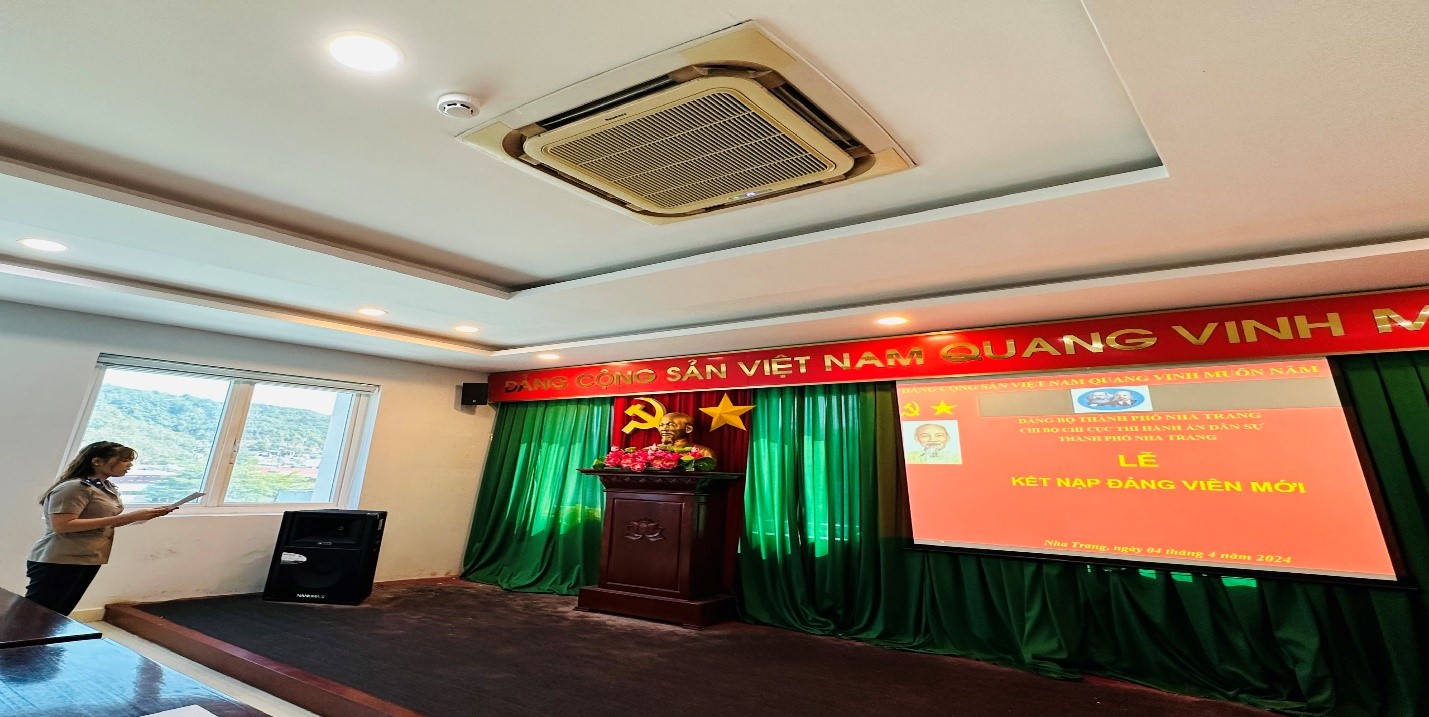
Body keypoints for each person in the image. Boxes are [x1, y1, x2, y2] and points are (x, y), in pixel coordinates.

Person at [24, 441, 176, 615]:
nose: (129, 465)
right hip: (60, 559)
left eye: (130, 461)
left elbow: (105, 522)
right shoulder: (75, 487)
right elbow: (62, 525)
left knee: (59, 614)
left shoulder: (106, 487)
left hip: (89, 557)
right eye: (124, 460)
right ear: (97, 461)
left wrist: (143, 515)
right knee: (37, 614)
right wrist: (130, 517)